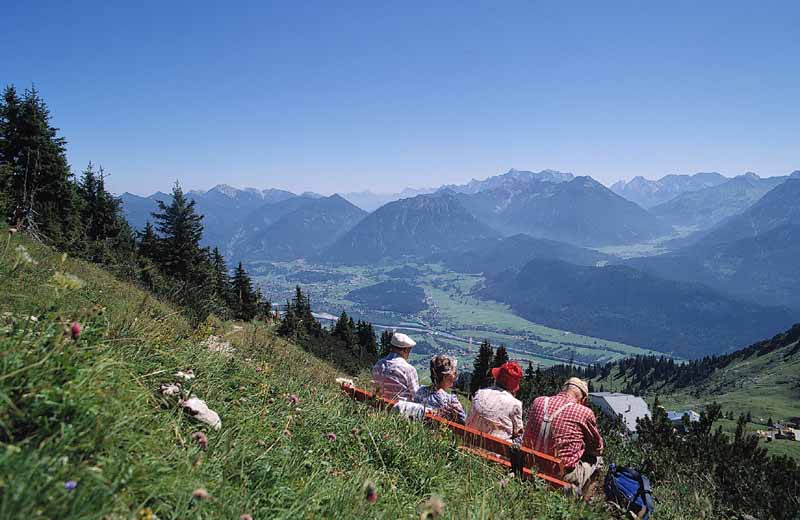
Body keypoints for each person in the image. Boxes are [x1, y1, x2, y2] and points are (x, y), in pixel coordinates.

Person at [522, 377, 604, 493]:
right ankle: (581, 503)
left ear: (562, 390)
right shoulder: (584, 412)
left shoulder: (538, 401)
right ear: (584, 400)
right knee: (598, 459)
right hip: (559, 476)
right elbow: (598, 449)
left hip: (529, 465)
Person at [465, 361, 524, 442]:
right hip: (496, 453)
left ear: (497, 378)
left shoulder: (479, 393)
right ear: (514, 387)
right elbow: (518, 434)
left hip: (468, 444)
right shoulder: (515, 404)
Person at [414, 355, 467, 423]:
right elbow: (464, 421)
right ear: (445, 377)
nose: (456, 376)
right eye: (454, 373)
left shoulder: (420, 390)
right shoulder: (450, 400)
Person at [371, 332, 419, 401]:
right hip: (400, 410)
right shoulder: (408, 369)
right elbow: (416, 396)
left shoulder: (378, 365)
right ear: (405, 350)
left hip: (378, 407)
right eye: (409, 350)